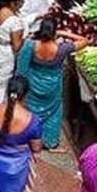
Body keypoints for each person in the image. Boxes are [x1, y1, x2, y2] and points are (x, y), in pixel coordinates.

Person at [16, 17, 89, 151]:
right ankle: (49, 142)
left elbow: (22, 68)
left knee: (30, 109)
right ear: (54, 32)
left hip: (33, 83)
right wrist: (63, 33)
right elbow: (85, 41)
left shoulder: (30, 45)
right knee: (53, 113)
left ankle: (26, 134)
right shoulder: (62, 49)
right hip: (52, 87)